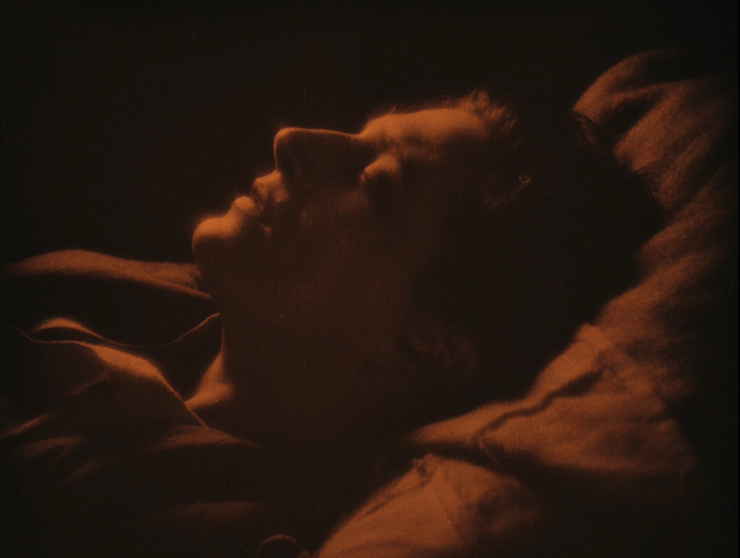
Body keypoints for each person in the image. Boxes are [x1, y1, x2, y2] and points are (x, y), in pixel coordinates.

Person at [0, 91, 659, 557]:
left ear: (422, 346)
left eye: (372, 183)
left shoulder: (228, 532)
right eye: (356, 138)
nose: (292, 141)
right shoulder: (144, 295)